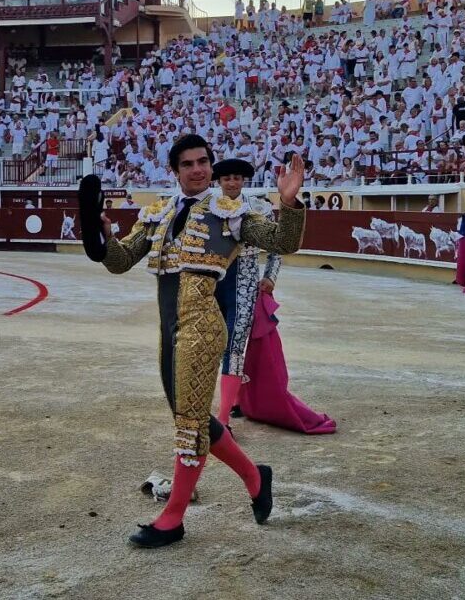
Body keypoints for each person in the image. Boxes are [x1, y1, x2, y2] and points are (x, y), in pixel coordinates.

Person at [86, 135, 307, 549]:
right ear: (175, 170)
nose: (198, 169)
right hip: (168, 330)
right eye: (188, 163)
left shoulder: (231, 211)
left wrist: (290, 206)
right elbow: (119, 262)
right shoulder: (159, 213)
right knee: (191, 418)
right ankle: (256, 477)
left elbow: (283, 242)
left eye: (203, 161)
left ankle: (173, 518)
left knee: (189, 422)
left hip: (203, 328)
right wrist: (100, 236)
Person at [211, 158, 279, 429]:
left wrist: (270, 276)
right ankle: (235, 401)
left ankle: (224, 418)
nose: (232, 183)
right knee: (217, 342)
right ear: (219, 181)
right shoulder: (208, 208)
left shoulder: (260, 208)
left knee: (235, 344)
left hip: (246, 283)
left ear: (244, 181)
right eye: (227, 178)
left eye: (237, 178)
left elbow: (277, 246)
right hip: (215, 282)